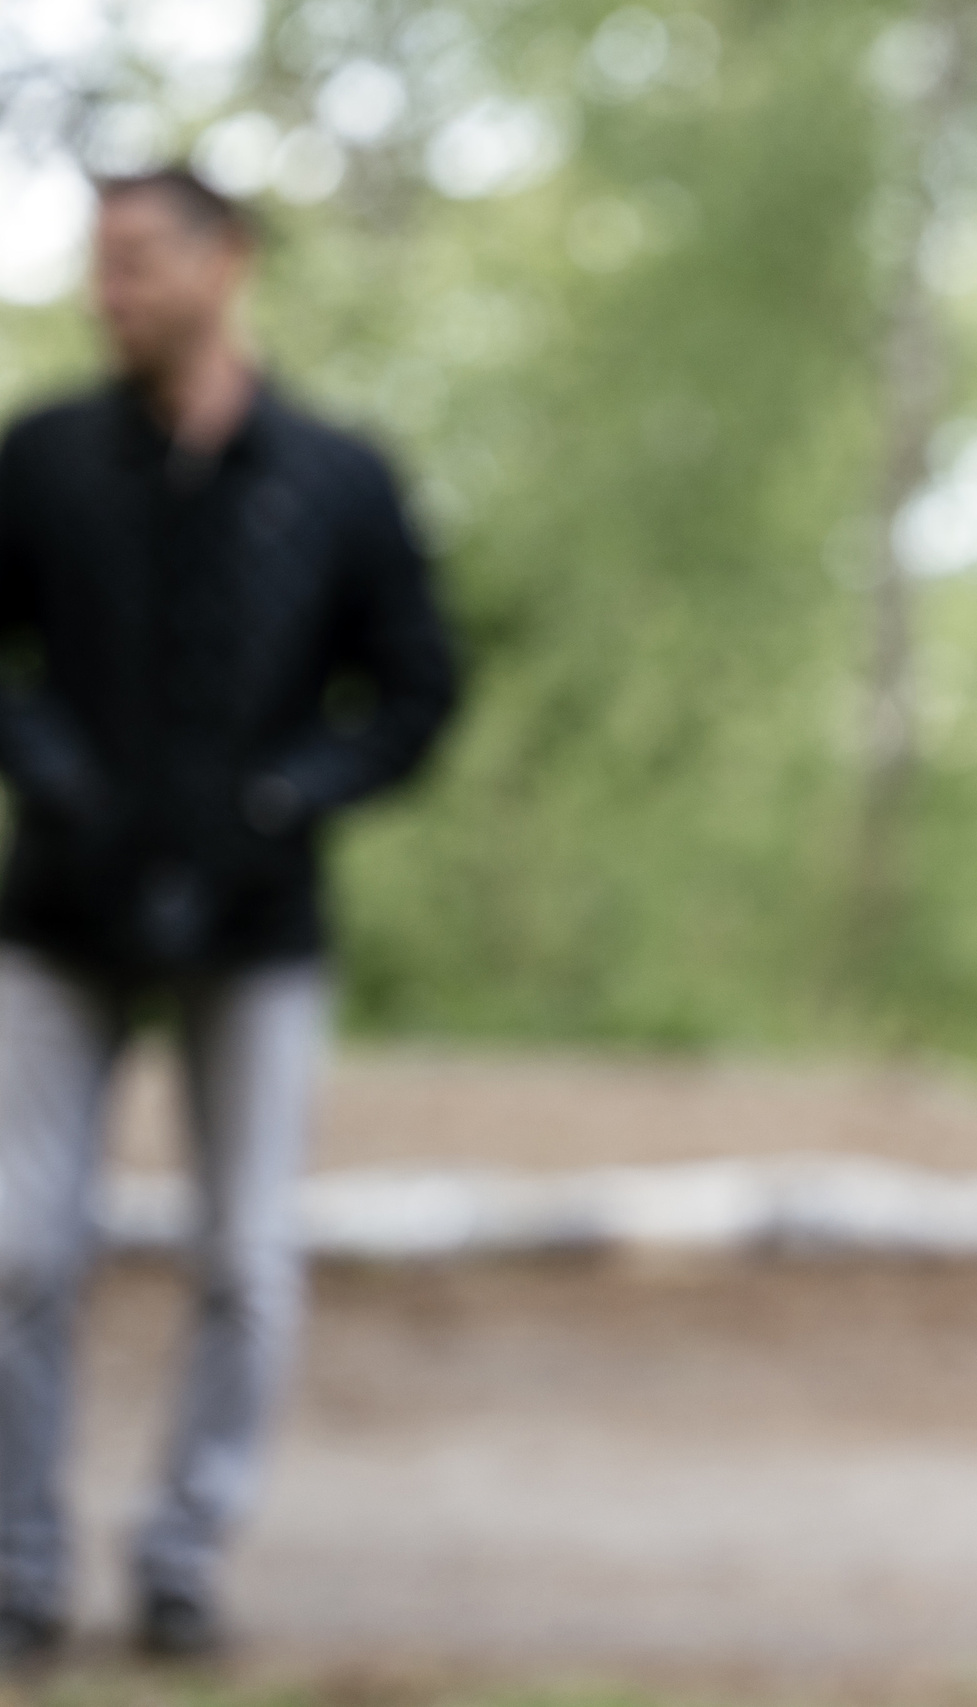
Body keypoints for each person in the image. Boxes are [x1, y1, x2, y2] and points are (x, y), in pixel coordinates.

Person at [0, 168, 458, 1663]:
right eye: (99, 264)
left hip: (259, 932)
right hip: (57, 916)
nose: (107, 290)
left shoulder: (335, 476)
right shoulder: (45, 458)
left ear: (224, 264)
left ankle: (184, 1560)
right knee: (20, 1247)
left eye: (136, 262)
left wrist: (288, 799)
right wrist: (45, 765)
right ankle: (19, 1566)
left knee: (248, 1263)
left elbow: (415, 692)